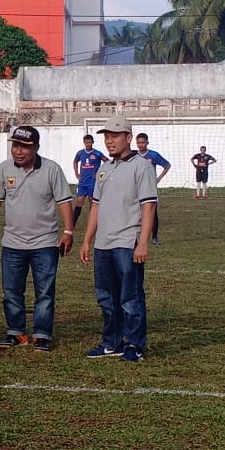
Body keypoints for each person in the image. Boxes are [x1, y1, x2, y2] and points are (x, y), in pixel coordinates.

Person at [0, 126, 74, 353]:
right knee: (11, 291)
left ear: (36, 148)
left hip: (45, 243)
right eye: (15, 146)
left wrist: (68, 231)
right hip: (12, 244)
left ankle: (42, 335)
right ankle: (16, 333)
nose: (18, 151)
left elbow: (64, 201)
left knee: (45, 292)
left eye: (24, 147)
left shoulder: (52, 169)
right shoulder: (4, 169)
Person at [79, 114, 158, 362]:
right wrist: (87, 240)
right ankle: (111, 342)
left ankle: (135, 344)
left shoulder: (141, 167)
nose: (110, 142)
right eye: (107, 137)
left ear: (128, 137)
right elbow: (95, 207)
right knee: (106, 297)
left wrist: (142, 242)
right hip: (104, 244)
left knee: (130, 297)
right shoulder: (104, 169)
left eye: (115, 136)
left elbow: (149, 207)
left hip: (127, 242)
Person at [135, 133, 170, 244]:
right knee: (135, 212)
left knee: (152, 213)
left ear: (147, 143)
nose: (140, 145)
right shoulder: (133, 155)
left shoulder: (153, 155)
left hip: (150, 188)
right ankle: (136, 237)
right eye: (138, 143)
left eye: (143, 142)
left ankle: (154, 237)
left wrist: (158, 178)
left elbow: (167, 165)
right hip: (136, 187)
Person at [72, 134, 107, 227]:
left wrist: (100, 174)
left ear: (93, 142)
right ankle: (72, 224)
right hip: (82, 182)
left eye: (90, 142)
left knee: (92, 202)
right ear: (84, 143)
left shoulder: (97, 153)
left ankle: (92, 224)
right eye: (86, 142)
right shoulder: (80, 153)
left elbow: (107, 162)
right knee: (79, 202)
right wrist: (76, 174)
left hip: (93, 182)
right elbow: (75, 161)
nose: (88, 144)